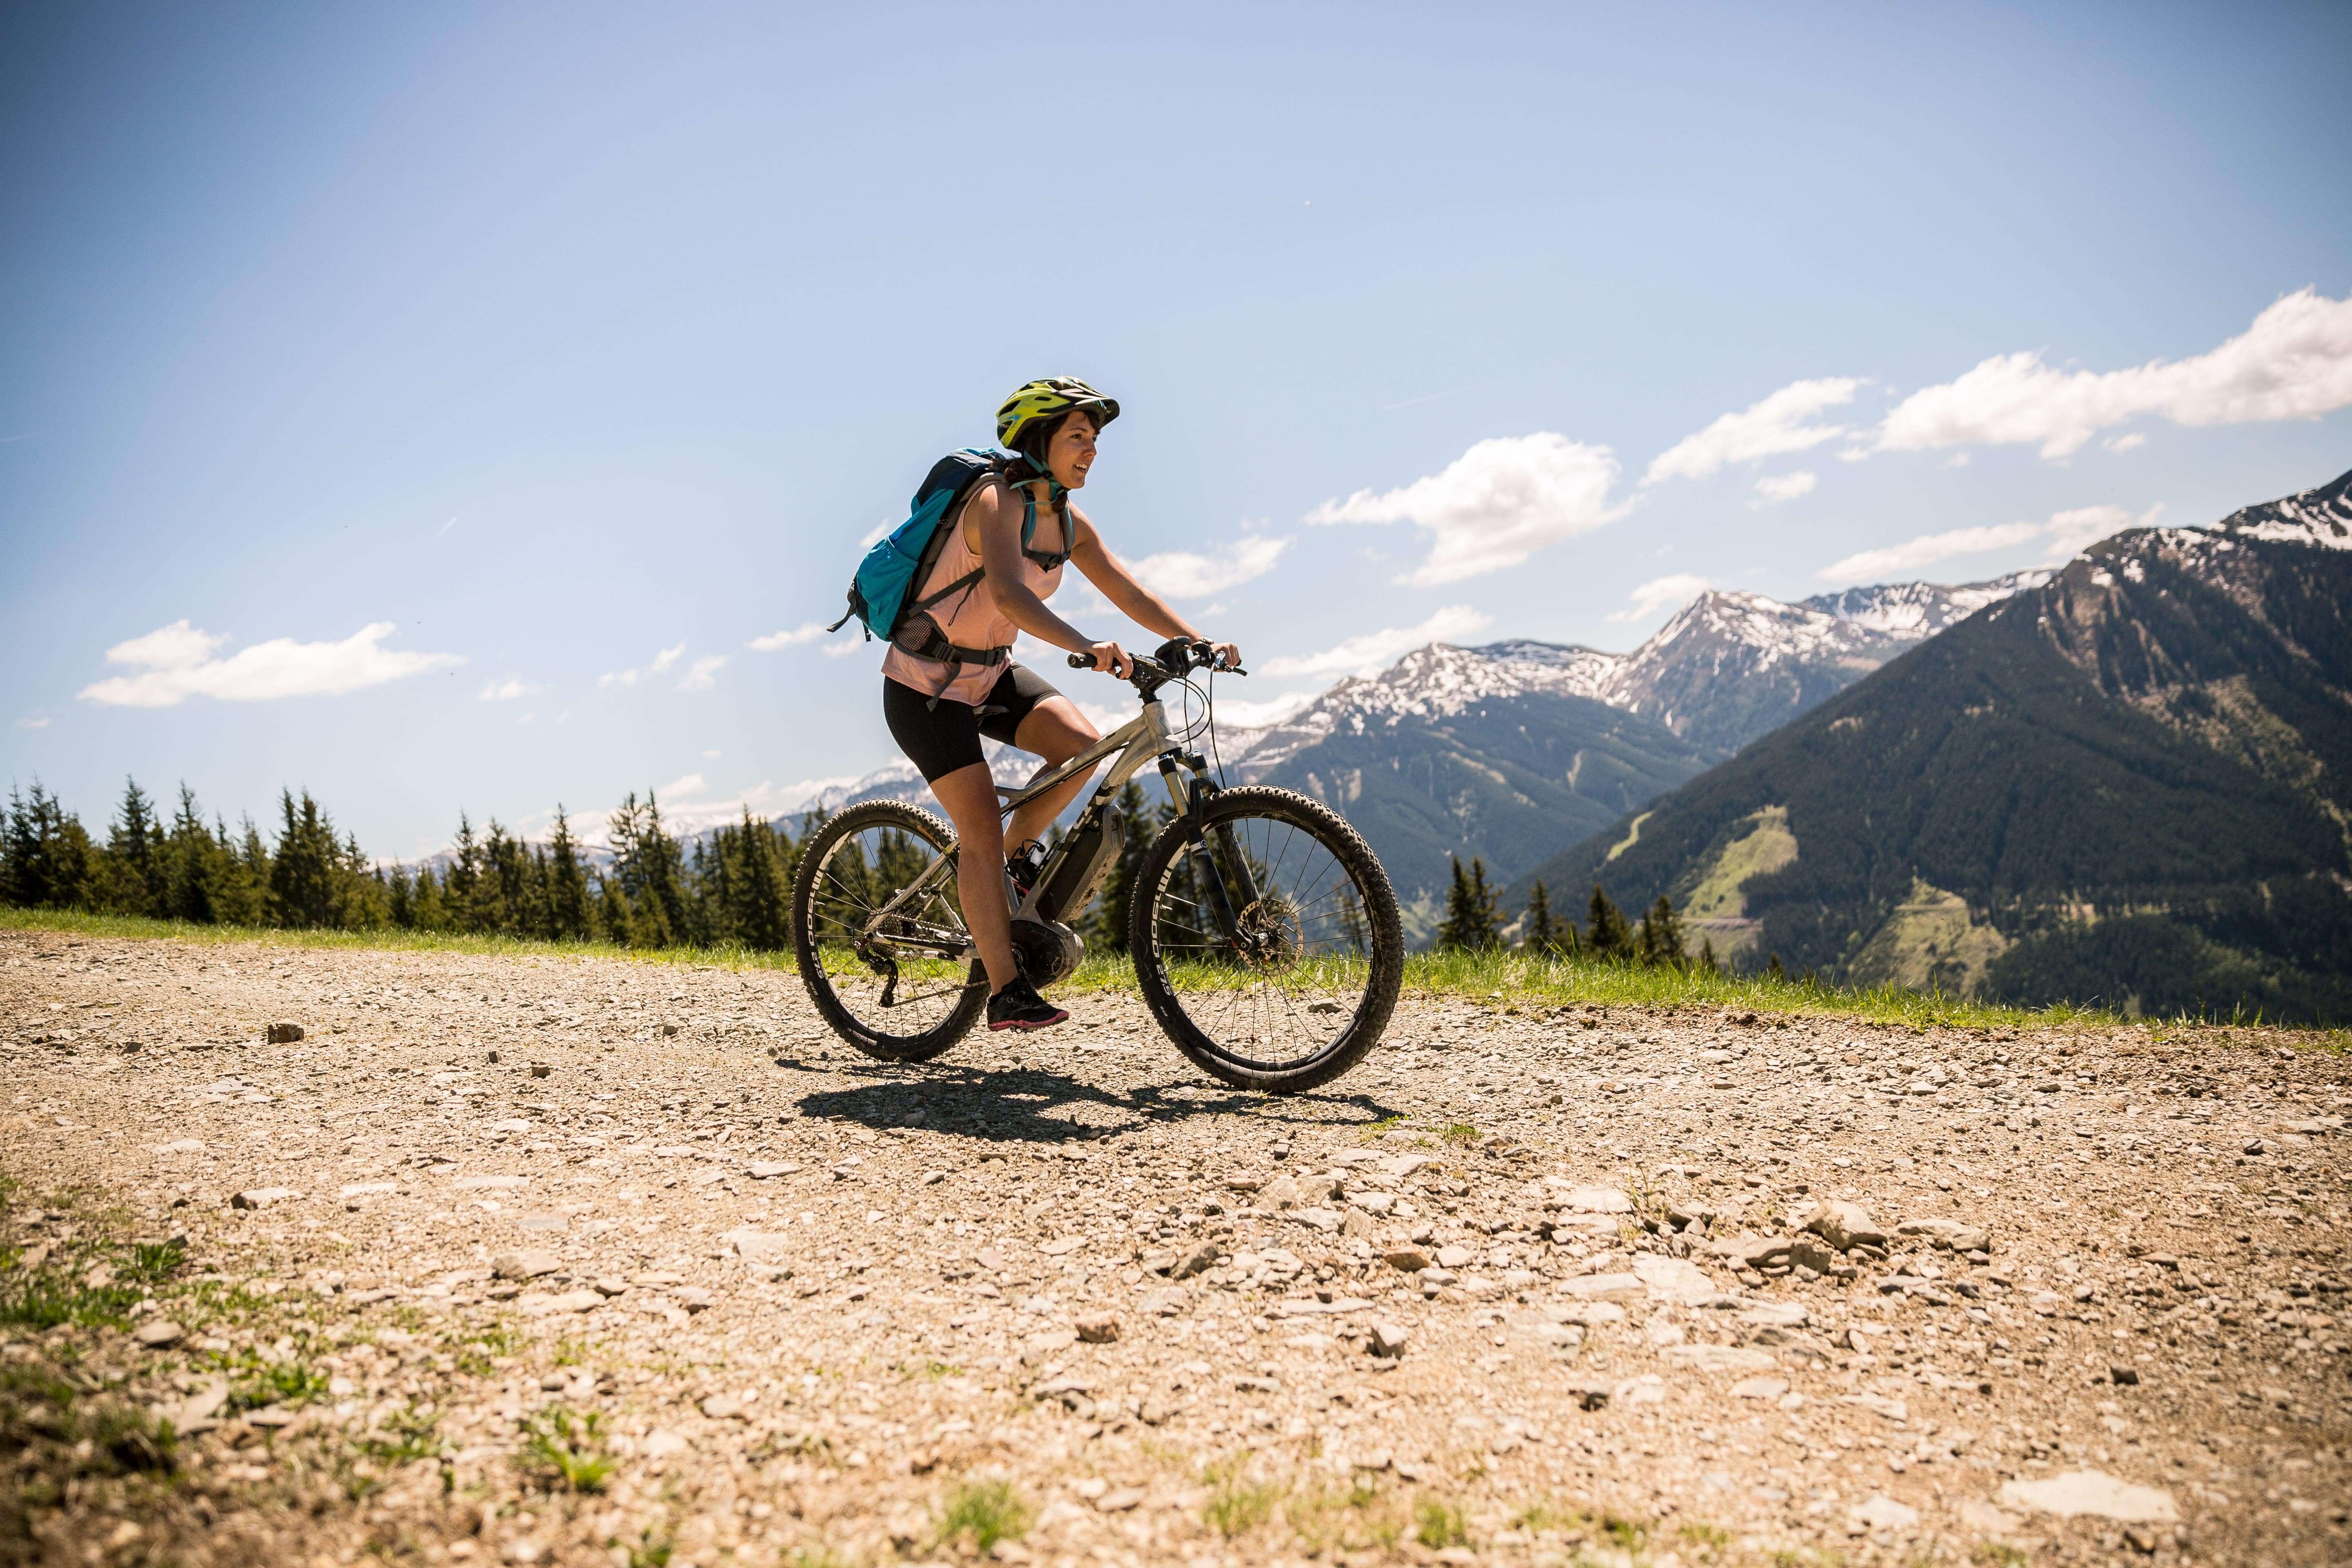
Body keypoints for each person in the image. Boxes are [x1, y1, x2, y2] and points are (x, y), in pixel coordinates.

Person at [881, 377, 1241, 1031]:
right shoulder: (995, 501)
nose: (1092, 450)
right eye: (1078, 436)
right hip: (925, 688)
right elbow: (1011, 596)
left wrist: (1195, 640)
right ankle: (1005, 992)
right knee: (981, 831)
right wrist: (1085, 645)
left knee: (1080, 749)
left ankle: (1004, 872)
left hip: (989, 676)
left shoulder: (1068, 522)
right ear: (1038, 440)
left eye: (1096, 439)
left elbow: (1129, 595)